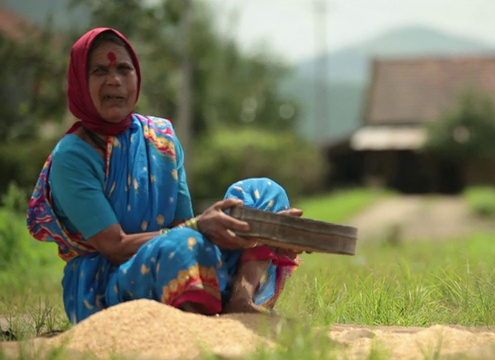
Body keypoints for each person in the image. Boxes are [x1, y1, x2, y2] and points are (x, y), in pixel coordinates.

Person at [26, 27, 301, 324]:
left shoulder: (160, 139)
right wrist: (199, 228)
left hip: (178, 254)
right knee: (183, 244)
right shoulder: (72, 157)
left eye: (123, 68)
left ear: (136, 76)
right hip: (108, 286)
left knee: (264, 194)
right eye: (99, 70)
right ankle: (197, 326)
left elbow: (181, 225)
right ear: (80, 81)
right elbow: (114, 247)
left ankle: (240, 300)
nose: (114, 80)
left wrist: (252, 233)